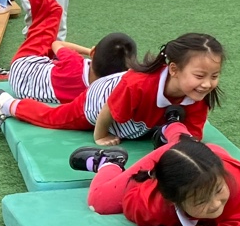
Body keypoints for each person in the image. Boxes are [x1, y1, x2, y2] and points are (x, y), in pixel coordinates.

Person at [70, 134, 240, 226]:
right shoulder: (153, 205)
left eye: (219, 190)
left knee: (200, 161)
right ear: (174, 202)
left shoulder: (239, 187)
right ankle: (110, 161)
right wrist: (184, 225)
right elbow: (131, 200)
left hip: (202, 155)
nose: (216, 203)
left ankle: (171, 129)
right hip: (171, 161)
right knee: (100, 202)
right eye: (201, 201)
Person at [0, 28, 136, 134]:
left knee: (51, 16)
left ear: (94, 52)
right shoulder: (95, 94)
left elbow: (56, 44)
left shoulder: (74, 61)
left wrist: (88, 51)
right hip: (26, 86)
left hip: (23, 66)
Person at [92, 34, 223, 147]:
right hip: (100, 97)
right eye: (199, 76)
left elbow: (192, 137)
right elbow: (108, 108)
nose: (207, 84)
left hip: (135, 107)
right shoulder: (138, 85)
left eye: (214, 76)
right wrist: (101, 136)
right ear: (174, 70)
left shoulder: (197, 93)